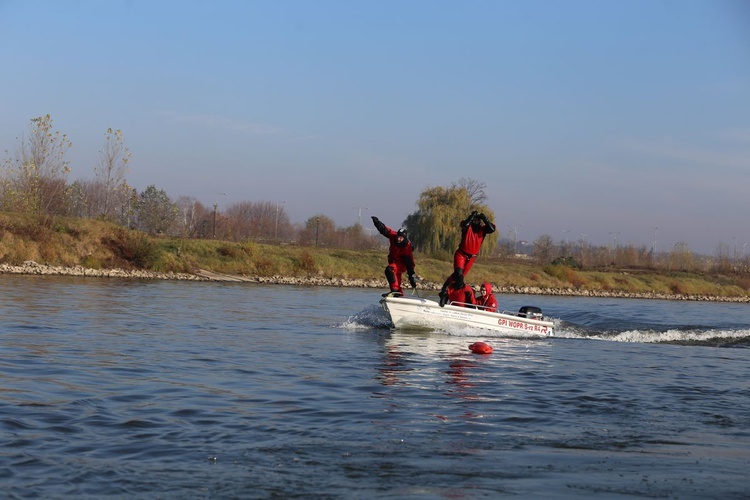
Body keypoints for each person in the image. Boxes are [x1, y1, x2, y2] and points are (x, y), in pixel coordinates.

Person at [439, 211, 496, 306]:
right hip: (461, 254)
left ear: (481, 222)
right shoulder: (467, 227)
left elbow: (492, 229)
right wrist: (472, 216)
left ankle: (451, 296)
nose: (476, 221)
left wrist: (484, 218)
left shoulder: (483, 229)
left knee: (459, 279)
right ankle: (444, 289)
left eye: (478, 220)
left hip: (472, 257)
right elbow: (464, 224)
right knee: (458, 274)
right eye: (475, 220)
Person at [371, 216, 417, 297]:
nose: (399, 239)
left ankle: (395, 291)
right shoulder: (393, 236)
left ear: (404, 238)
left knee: (389, 270)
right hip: (394, 262)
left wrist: (411, 277)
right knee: (396, 278)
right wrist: (377, 222)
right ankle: (399, 295)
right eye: (398, 237)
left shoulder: (407, 247)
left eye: (401, 238)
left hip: (403, 264)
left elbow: (409, 263)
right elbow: (384, 230)